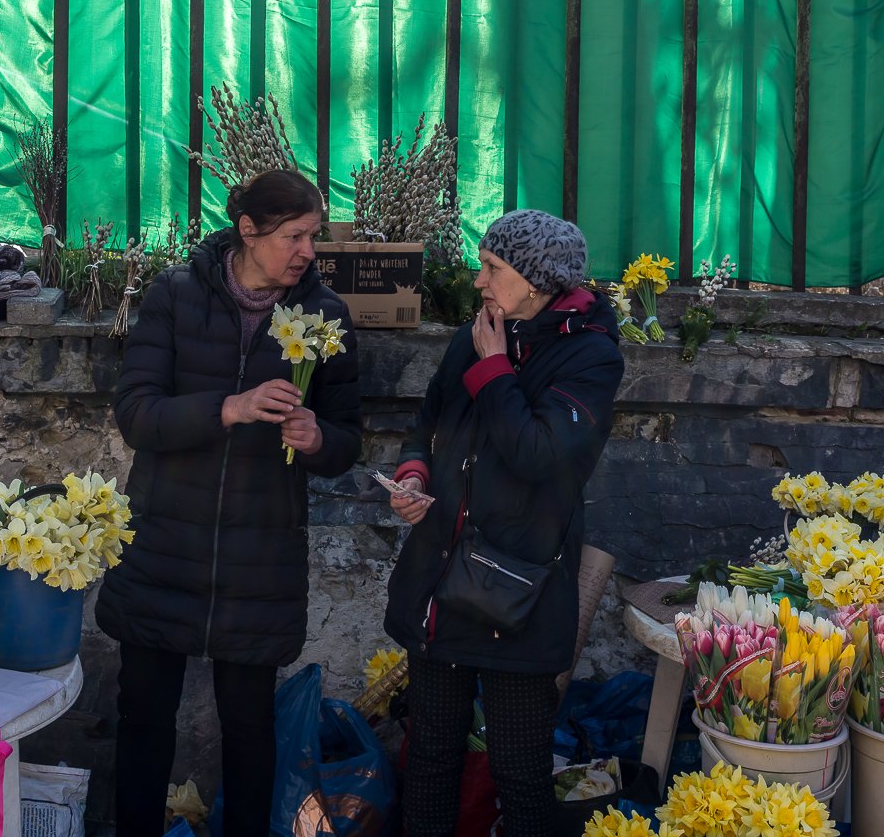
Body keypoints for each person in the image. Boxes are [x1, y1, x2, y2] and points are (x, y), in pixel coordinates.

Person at [96, 169, 362, 837]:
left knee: (249, 731)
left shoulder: (324, 314)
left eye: (313, 236)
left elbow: (347, 439)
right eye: (294, 236)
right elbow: (137, 414)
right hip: (162, 545)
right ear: (248, 231)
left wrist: (315, 437)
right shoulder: (176, 295)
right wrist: (231, 407)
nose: (308, 250)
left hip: (259, 557)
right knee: (145, 721)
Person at [383, 208, 625, 837]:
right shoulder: (478, 333)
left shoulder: (591, 358)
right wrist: (413, 474)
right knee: (431, 756)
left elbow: (540, 456)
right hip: (444, 575)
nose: (479, 282)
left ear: (538, 280)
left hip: (517, 589)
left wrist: (494, 369)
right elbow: (429, 422)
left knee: (518, 769)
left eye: (493, 268)